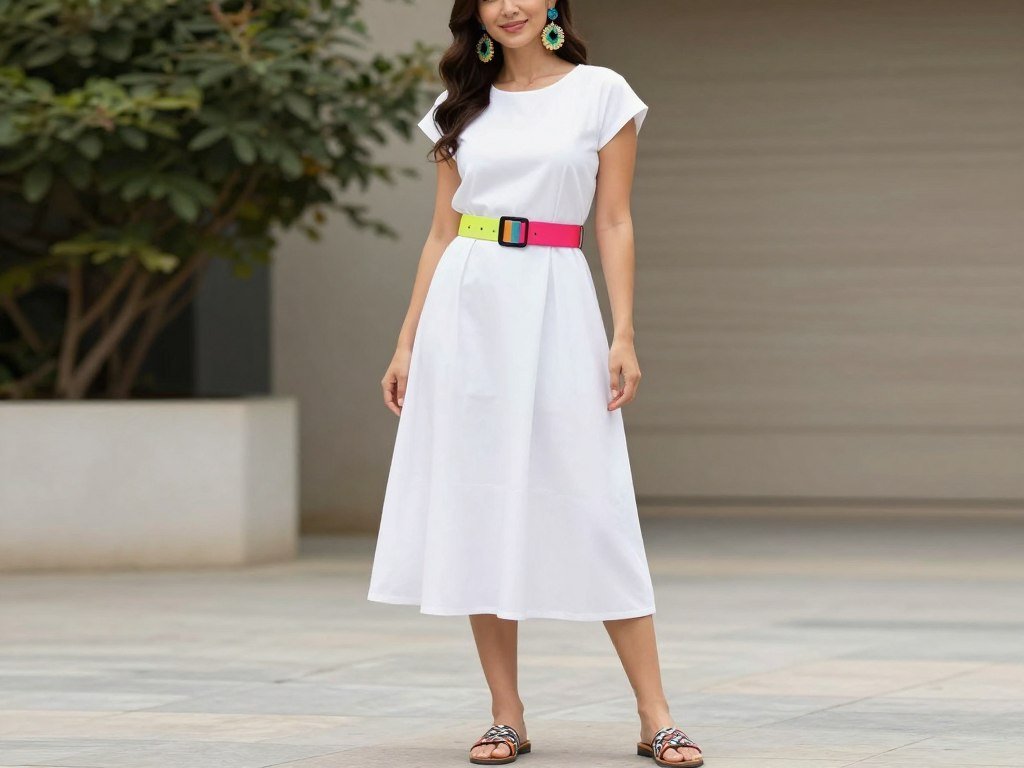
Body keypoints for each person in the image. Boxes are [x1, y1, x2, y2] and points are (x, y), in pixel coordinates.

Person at [368, 2, 704, 766]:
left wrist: (623, 332)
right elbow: (442, 230)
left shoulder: (601, 93)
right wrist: (407, 341)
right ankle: (506, 714)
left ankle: (655, 716)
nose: (509, 5)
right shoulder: (460, 104)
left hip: (557, 300)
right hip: (467, 308)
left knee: (596, 501)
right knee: (479, 499)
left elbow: (613, 221)